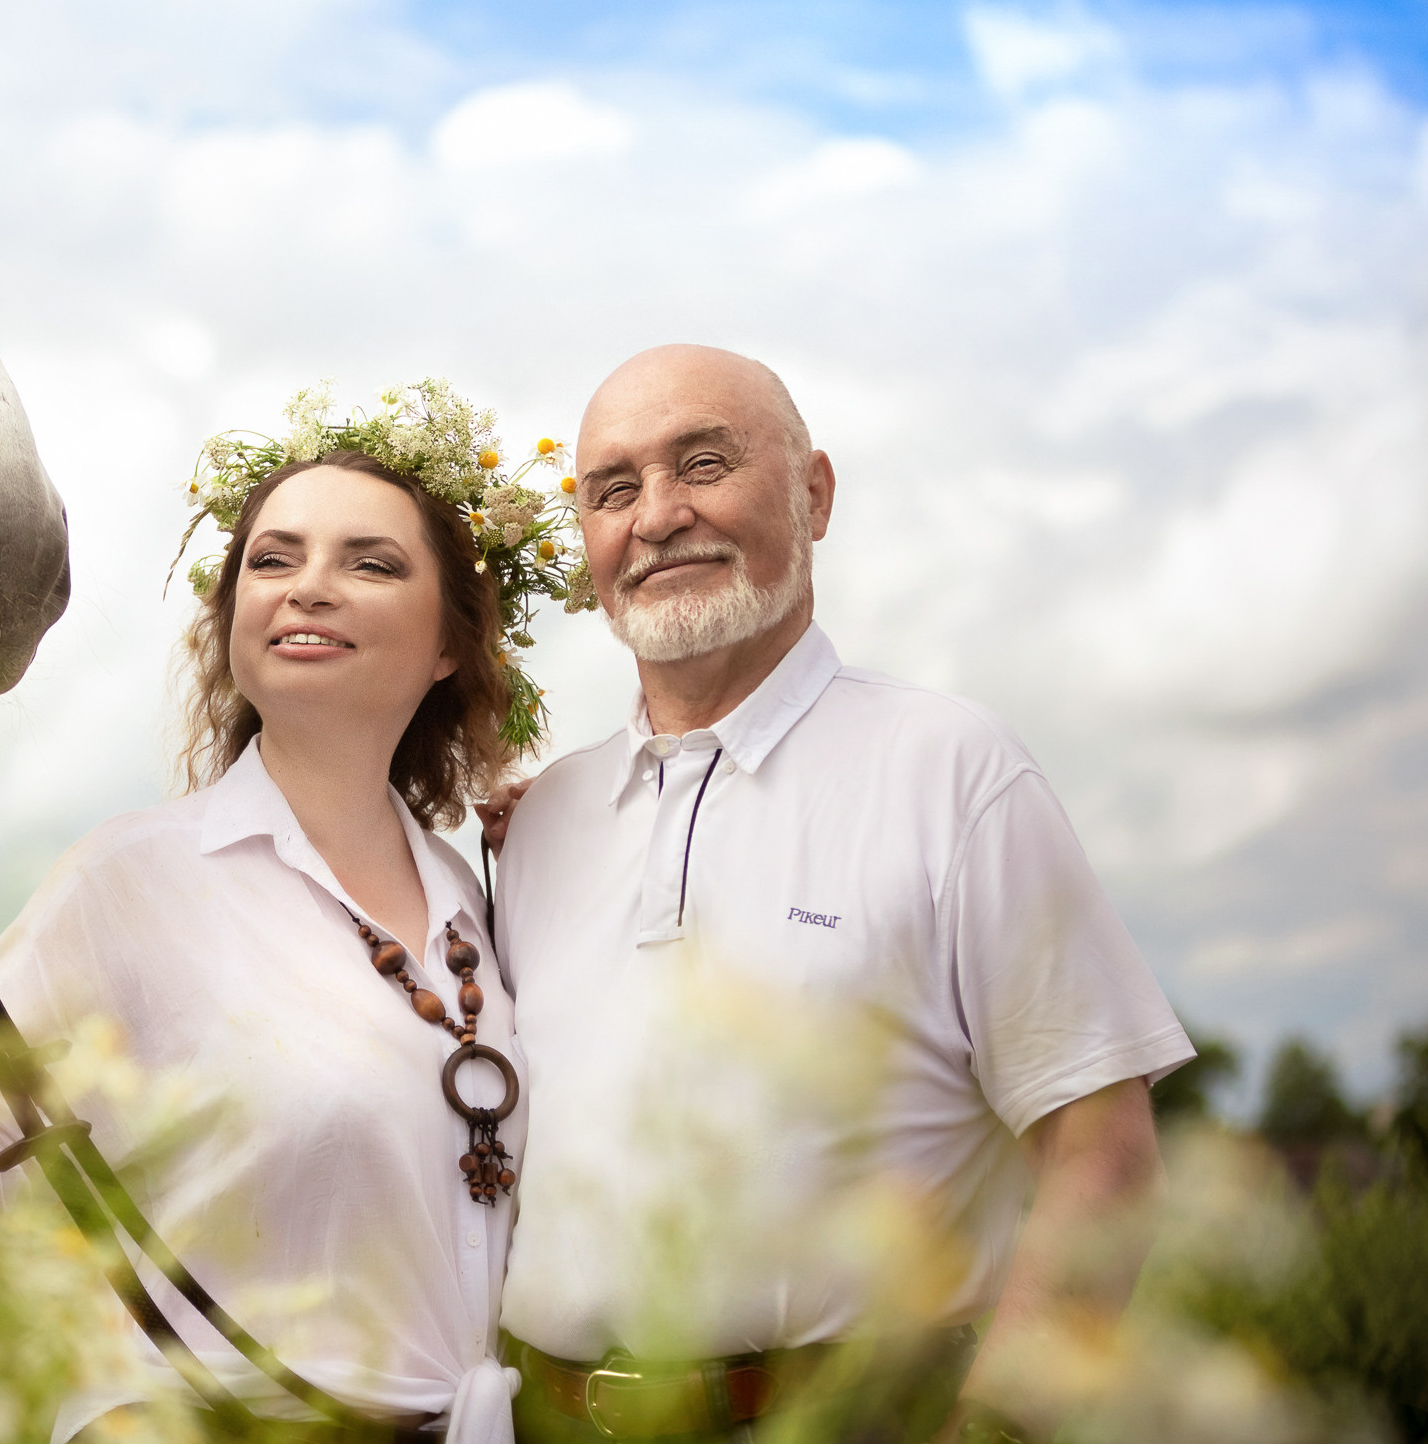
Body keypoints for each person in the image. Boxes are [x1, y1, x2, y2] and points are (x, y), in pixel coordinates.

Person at [482, 345, 1194, 1444]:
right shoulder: (541, 824)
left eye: (704, 463)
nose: (660, 514)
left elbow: (1103, 1155)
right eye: (613, 489)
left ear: (813, 493)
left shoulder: (952, 768)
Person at [0, 442, 531, 1444]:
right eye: (273, 561)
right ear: (234, 617)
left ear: (448, 645)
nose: (310, 590)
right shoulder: (132, 880)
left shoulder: (471, 896)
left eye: (370, 563)